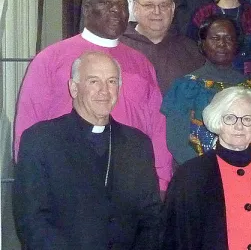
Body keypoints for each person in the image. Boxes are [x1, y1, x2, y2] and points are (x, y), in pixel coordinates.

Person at [14, 0, 172, 192]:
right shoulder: (51, 59)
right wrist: (31, 184)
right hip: (65, 180)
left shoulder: (141, 63)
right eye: (107, 3)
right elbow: (28, 122)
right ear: (87, 9)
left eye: (122, 5)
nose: (116, 10)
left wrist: (161, 182)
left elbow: (158, 125)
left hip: (129, 182)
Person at [14, 52, 162, 249]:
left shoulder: (137, 144)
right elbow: (32, 220)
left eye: (111, 82)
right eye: (93, 82)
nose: (104, 91)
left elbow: (151, 217)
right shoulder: (41, 140)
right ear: (74, 88)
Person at [163, 86, 251, 249]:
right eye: (230, 118)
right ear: (217, 121)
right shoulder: (191, 176)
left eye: (248, 119)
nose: (239, 126)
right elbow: (176, 239)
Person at [162, 15, 251, 165]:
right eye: (215, 38)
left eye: (229, 39)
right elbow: (177, 143)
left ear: (237, 44)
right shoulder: (186, 87)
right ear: (203, 44)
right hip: (201, 176)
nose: (222, 44)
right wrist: (208, 173)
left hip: (249, 173)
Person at [120, 0, 204, 94]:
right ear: (135, 8)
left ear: (173, 9)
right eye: (149, 5)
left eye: (164, 5)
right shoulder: (119, 45)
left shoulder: (190, 49)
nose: (157, 11)